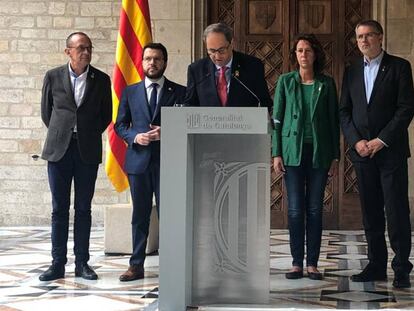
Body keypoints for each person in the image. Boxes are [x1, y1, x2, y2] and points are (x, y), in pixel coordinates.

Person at [340, 20, 414, 288]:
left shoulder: (399, 67)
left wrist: (381, 140)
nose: (364, 40)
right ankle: (376, 265)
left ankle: (402, 267)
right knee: (370, 212)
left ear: (380, 37)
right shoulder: (351, 72)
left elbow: (405, 109)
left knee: (396, 211)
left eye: (369, 35)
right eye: (359, 36)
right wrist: (357, 141)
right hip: (362, 154)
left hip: (390, 152)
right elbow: (344, 112)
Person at [39, 32, 112, 281]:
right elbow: (47, 113)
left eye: (89, 48)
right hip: (59, 151)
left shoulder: (101, 79)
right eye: (80, 48)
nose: (86, 52)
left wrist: (86, 134)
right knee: (59, 209)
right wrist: (65, 133)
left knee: (83, 209)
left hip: (87, 151)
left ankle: (82, 263)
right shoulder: (53, 76)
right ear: (68, 51)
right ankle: (57, 263)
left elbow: (106, 116)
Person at [115, 43, 186, 281]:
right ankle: (136, 265)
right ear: (142, 62)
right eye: (147, 59)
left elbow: (188, 124)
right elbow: (120, 125)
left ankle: (172, 264)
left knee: (170, 215)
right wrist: (135, 136)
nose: (152, 63)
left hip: (169, 162)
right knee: (140, 214)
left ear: (165, 62)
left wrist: (169, 131)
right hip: (138, 163)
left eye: (157, 59)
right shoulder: (130, 91)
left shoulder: (181, 92)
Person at [272, 34, 340, 280]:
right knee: (294, 210)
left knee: (314, 209)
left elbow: (334, 122)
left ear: (315, 54)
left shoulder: (327, 83)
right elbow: (276, 120)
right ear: (295, 55)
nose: (303, 55)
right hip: (292, 153)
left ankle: (312, 263)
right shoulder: (285, 81)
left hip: (319, 153)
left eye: (308, 50)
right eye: (299, 51)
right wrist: (276, 152)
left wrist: (335, 156)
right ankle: (295, 263)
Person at [184, 22, 271, 109]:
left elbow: (264, 101)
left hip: (243, 121)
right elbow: (190, 105)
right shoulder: (196, 70)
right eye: (212, 51)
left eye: (221, 50)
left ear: (231, 44)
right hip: (208, 122)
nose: (217, 56)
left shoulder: (253, 66)